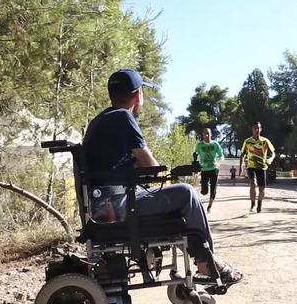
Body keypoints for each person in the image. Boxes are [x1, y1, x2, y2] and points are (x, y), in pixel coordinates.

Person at [82, 68, 243, 283]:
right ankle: (206, 263)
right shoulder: (123, 117)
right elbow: (152, 167)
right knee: (186, 194)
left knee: (179, 195)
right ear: (138, 94)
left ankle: (204, 259)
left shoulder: (100, 120)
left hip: (102, 203)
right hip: (118, 205)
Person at [240, 122, 275, 213]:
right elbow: (242, 154)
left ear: (261, 129)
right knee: (253, 183)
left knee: (261, 188)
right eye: (255, 128)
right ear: (252, 130)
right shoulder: (247, 141)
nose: (257, 130)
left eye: (258, 128)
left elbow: (273, 153)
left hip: (262, 167)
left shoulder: (265, 141)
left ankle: (259, 203)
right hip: (251, 166)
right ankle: (252, 204)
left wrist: (270, 159)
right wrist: (241, 167)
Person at [195, 128, 224, 213]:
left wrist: (218, 162)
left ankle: (209, 206)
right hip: (204, 169)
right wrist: (196, 167)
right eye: (205, 134)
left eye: (208, 133)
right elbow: (195, 156)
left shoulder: (215, 144)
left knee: (213, 189)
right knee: (204, 191)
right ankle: (204, 191)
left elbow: (222, 156)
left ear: (211, 134)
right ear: (203, 135)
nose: (207, 135)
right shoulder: (200, 145)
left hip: (214, 169)